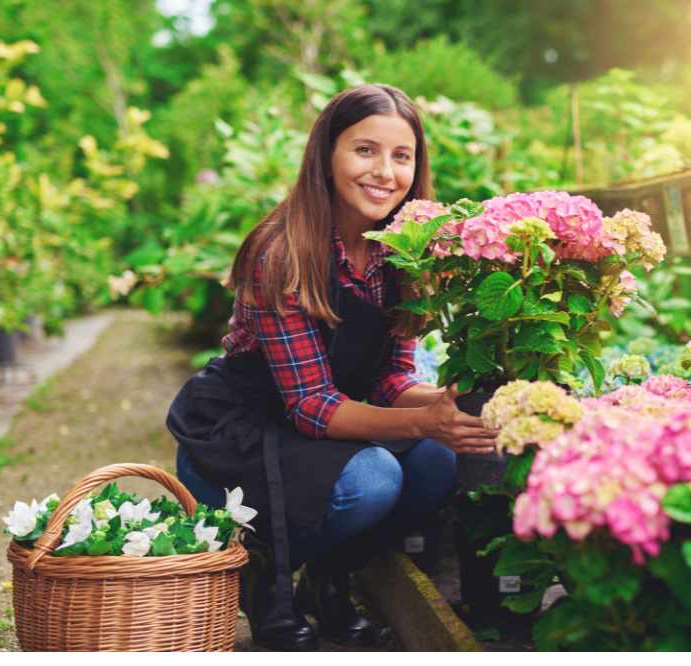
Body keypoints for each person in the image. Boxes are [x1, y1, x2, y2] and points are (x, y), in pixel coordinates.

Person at [166, 84, 498, 651]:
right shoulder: (283, 253)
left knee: (442, 460)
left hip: (328, 431)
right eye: (364, 150)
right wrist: (424, 423)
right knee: (375, 478)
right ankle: (265, 573)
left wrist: (459, 405)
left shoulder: (402, 251)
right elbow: (310, 404)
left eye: (402, 156)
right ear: (326, 155)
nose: (385, 172)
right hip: (245, 438)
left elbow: (393, 381)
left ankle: (330, 578)